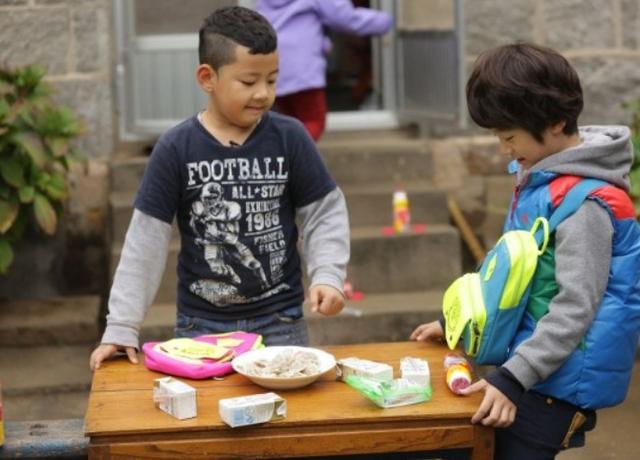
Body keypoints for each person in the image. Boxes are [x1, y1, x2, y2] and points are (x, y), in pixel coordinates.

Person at [411, 43, 640, 460]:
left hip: (557, 386)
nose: (504, 149)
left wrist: (514, 378)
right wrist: (457, 322)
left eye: (509, 137)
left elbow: (575, 308)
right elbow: (509, 272)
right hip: (534, 370)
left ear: (554, 123)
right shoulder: (543, 178)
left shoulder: (586, 204)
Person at [90, 6, 350, 370]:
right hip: (201, 329)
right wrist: (121, 326)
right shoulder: (176, 148)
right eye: (249, 81)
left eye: (272, 80)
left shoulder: (291, 138)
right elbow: (145, 241)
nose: (263, 93)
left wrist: (328, 275)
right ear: (207, 77)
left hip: (281, 323)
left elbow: (324, 213)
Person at [255, 0, 392, 141]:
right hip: (302, 67)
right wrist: (385, 21)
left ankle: (287, 152)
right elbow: (344, 18)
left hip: (273, 63)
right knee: (314, 121)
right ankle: (292, 153)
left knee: (291, 123)